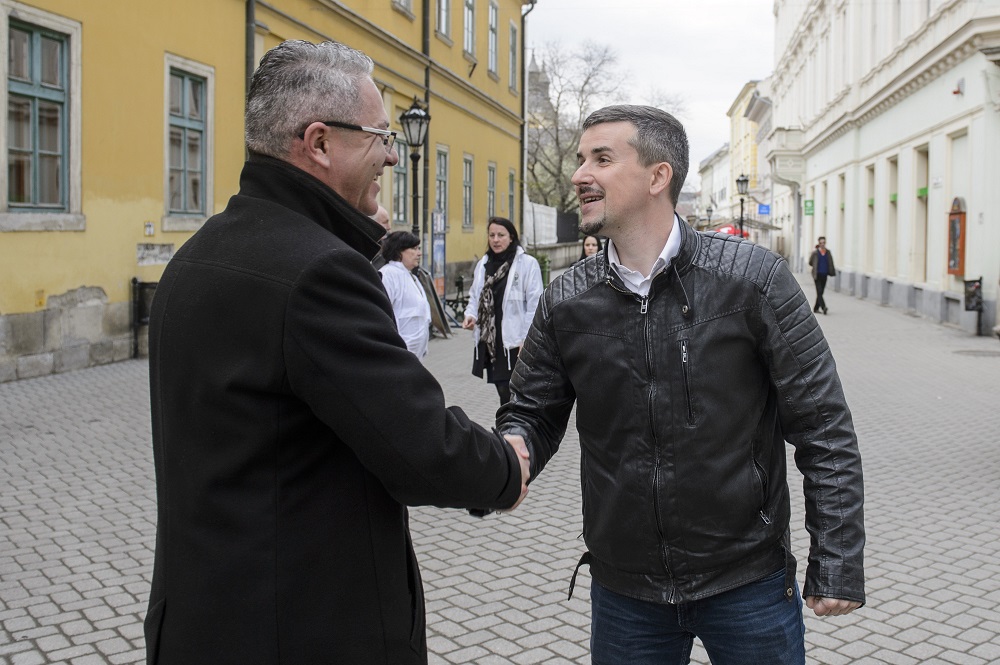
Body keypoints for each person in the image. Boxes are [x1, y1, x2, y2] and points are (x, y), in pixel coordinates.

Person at [144, 40, 529, 665]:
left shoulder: (197, 256)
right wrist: (506, 470)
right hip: (300, 629)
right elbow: (419, 444)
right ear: (319, 142)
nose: (391, 156)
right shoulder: (319, 272)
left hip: (200, 620)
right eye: (380, 136)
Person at [498, 105, 865, 665]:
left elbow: (823, 424)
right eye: (580, 159)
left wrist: (836, 558)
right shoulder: (566, 299)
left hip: (748, 583)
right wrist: (506, 455)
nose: (578, 174)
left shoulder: (754, 280)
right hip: (626, 593)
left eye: (602, 158)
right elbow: (531, 412)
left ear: (657, 176)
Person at [461, 216, 543, 406]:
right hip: (492, 338)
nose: (495, 240)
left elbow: (535, 304)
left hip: (515, 340)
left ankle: (513, 429)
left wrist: (527, 338)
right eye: (491, 235)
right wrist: (470, 315)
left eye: (501, 235)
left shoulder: (527, 264)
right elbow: (475, 295)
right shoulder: (484, 264)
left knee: (515, 389)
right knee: (502, 389)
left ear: (512, 237)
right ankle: (507, 429)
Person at [379, 231, 432, 358]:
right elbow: (383, 314)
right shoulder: (388, 274)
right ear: (399, 251)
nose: (419, 253)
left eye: (419, 248)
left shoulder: (410, 276)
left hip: (413, 356)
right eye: (414, 249)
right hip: (398, 355)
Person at [808, 236, 836, 315]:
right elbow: (810, 262)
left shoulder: (828, 252)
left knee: (821, 292)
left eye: (824, 243)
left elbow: (830, 262)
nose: (822, 244)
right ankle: (824, 307)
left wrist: (831, 271)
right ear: (819, 243)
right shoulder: (815, 253)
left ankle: (816, 308)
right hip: (817, 275)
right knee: (819, 291)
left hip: (825, 275)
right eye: (821, 243)